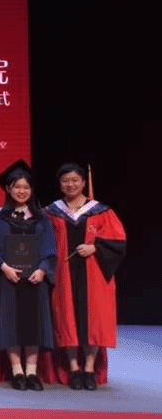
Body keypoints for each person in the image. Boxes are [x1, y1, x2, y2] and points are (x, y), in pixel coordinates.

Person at [45, 162, 126, 391]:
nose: (70, 184)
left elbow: (118, 242)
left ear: (83, 182)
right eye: (65, 181)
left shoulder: (102, 211)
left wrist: (95, 248)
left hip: (95, 274)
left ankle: (89, 369)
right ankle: (74, 368)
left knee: (94, 319)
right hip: (63, 274)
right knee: (66, 319)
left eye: (74, 180)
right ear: (60, 184)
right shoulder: (51, 212)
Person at [0, 160, 57, 391]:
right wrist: (3, 266)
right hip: (8, 278)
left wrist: (42, 269)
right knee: (11, 322)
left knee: (34, 322)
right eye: (17, 187)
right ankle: (17, 370)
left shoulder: (42, 218)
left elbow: (49, 247)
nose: (21, 191)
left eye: (26, 187)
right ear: (8, 189)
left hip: (35, 279)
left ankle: (32, 371)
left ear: (31, 190)